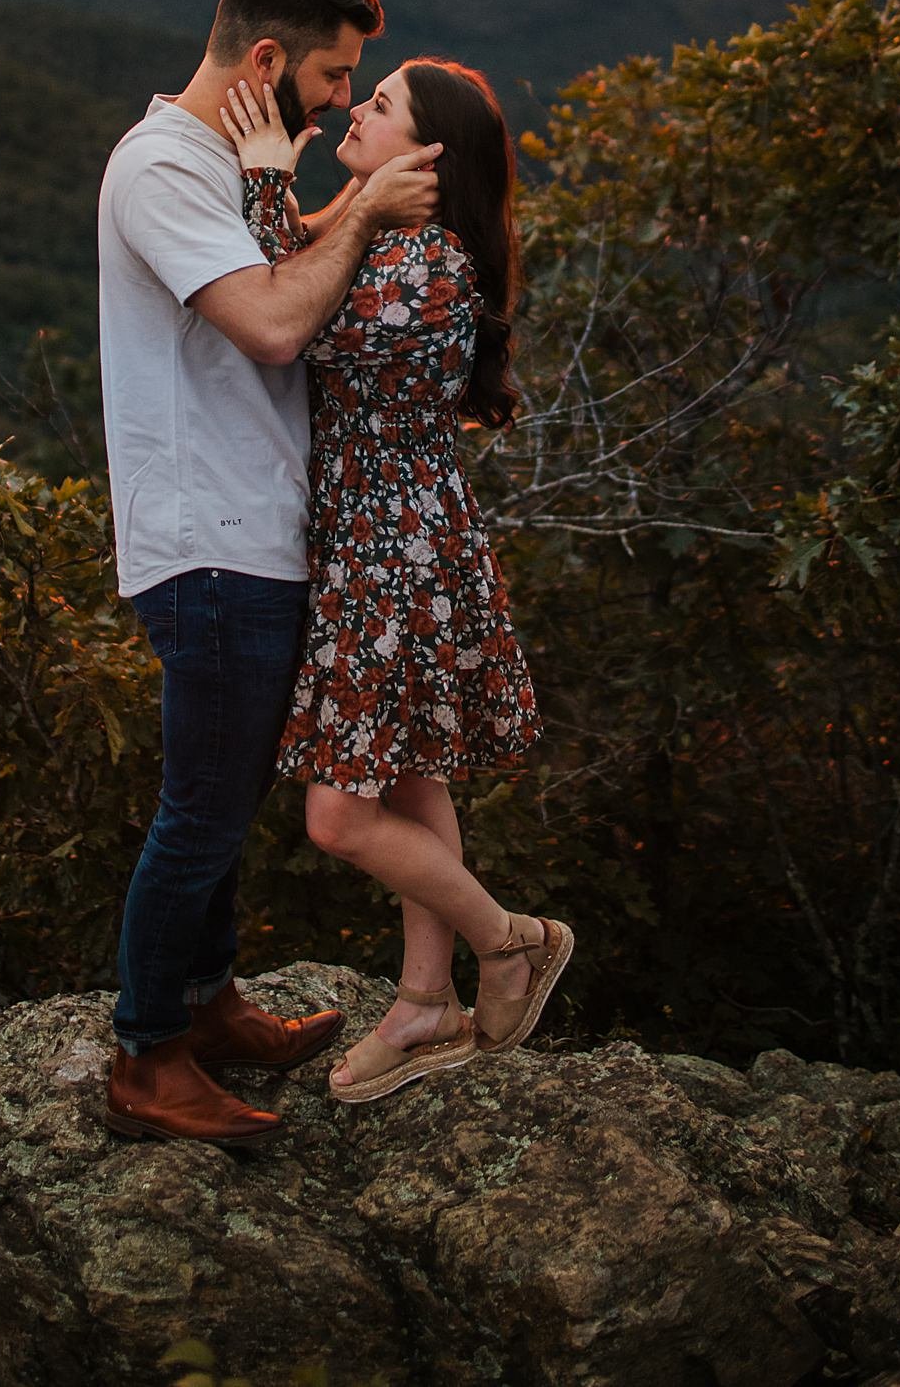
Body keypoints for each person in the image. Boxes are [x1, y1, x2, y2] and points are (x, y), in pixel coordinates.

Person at [98, 0, 445, 1147]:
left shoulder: (224, 163)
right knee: (199, 807)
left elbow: (285, 261)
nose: (346, 99)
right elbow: (273, 324)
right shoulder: (159, 169)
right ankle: (147, 1057)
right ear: (267, 57)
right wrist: (371, 210)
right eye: (338, 76)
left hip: (253, 533)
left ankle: (206, 1001)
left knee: (227, 795)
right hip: (209, 539)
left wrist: (322, 198)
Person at [222, 57, 571, 1103]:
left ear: (428, 157)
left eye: (380, 107)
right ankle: (426, 998)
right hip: (377, 547)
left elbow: (286, 310)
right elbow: (312, 272)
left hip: (396, 558)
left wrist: (268, 178)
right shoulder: (393, 240)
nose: (357, 110)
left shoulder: (424, 263)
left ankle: (510, 941)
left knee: (339, 815)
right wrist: (328, 197)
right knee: (415, 776)